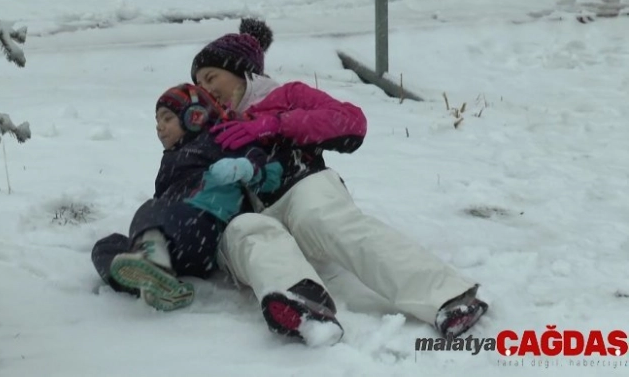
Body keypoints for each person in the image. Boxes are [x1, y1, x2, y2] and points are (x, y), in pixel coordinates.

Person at [190, 18, 489, 346]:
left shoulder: (286, 96)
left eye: (210, 77)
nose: (204, 89)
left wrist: (273, 125)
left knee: (321, 218)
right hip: (249, 214)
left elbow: (350, 121)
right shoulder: (202, 126)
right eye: (198, 84)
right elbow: (179, 179)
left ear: (241, 69)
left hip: (301, 187)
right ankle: (301, 304)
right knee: (245, 231)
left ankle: (446, 297)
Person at [91, 83, 283, 312]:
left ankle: (152, 262)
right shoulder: (170, 160)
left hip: (206, 225)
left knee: (152, 209)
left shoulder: (218, 138)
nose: (159, 128)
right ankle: (154, 282)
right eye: (157, 122)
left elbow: (270, 169)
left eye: (167, 119)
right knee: (105, 246)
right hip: (178, 243)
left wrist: (245, 167)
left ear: (195, 117)